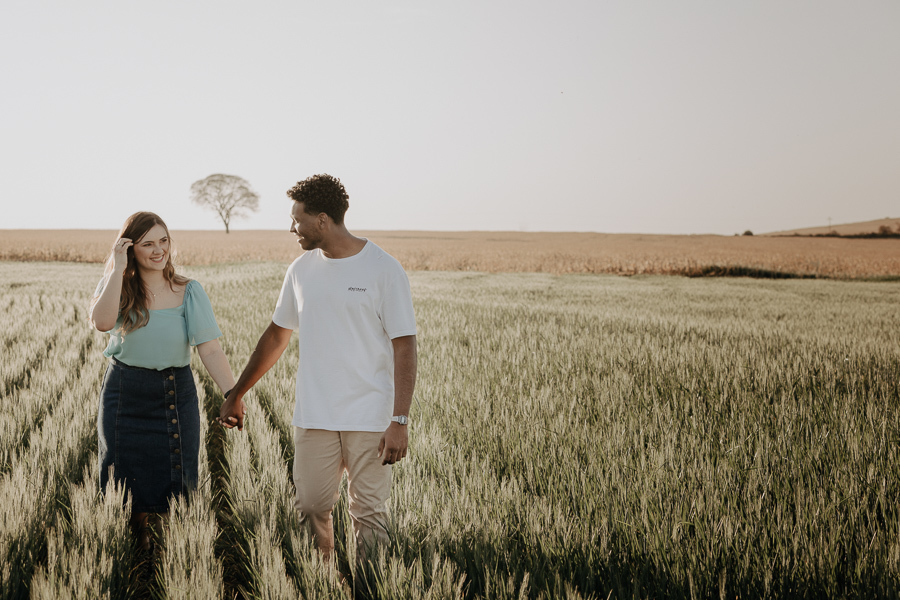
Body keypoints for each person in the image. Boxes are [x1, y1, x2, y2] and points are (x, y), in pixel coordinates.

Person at [219, 174, 417, 565]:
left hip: (370, 416)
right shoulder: (300, 269)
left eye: (297, 219)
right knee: (309, 505)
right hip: (315, 415)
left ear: (323, 220)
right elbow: (276, 336)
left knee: (371, 514)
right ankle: (322, 583)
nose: (291, 227)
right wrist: (237, 393)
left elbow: (405, 346)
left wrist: (400, 420)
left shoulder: (383, 269)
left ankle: (369, 591)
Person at [90, 211, 235, 549]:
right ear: (131, 248)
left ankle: (177, 544)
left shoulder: (188, 290)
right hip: (124, 392)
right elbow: (102, 322)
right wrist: (116, 266)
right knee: (123, 470)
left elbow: (210, 349)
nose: (159, 250)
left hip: (174, 391)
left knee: (178, 468)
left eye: (164, 241)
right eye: (148, 244)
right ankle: (136, 533)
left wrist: (232, 393)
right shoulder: (117, 285)